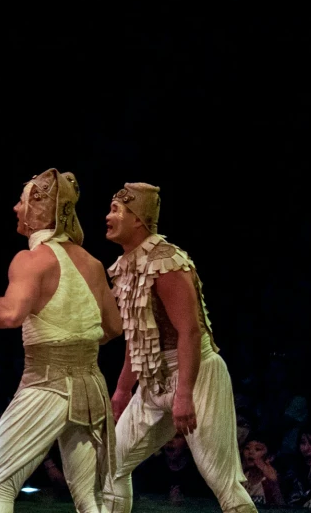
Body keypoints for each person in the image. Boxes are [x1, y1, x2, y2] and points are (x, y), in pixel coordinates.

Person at [0, 170, 120, 513]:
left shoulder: (31, 260)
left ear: (39, 208)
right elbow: (113, 327)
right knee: (87, 500)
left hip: (46, 384)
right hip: (90, 385)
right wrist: (76, 342)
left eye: (22, 201)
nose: (16, 208)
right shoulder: (92, 263)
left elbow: (9, 315)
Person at [103, 183, 253, 513]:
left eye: (116, 210)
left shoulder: (167, 262)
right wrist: (122, 389)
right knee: (110, 467)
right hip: (154, 375)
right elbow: (138, 334)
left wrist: (183, 392)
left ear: (138, 220)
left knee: (221, 479)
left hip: (194, 373)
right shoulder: (129, 265)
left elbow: (189, 330)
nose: (108, 216)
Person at [245, 434, 286, 505]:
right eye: (247, 448)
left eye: (257, 449)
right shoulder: (241, 477)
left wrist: (274, 484)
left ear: (270, 457)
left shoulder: (273, 479)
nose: (250, 452)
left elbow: (282, 507)